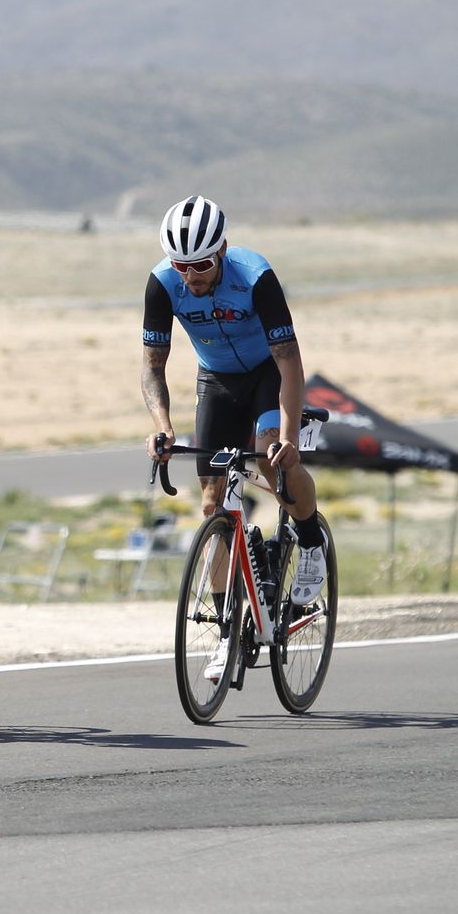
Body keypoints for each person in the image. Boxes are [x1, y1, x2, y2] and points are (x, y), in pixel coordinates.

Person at [140, 196, 329, 680]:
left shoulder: (254, 276)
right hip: (218, 380)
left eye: (201, 264)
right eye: (182, 265)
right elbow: (152, 368)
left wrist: (287, 436)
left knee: (272, 459)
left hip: (268, 373)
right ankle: (228, 632)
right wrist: (162, 424)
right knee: (211, 504)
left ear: (221, 250)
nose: (192, 276)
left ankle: (309, 542)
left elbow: (289, 361)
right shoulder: (163, 285)